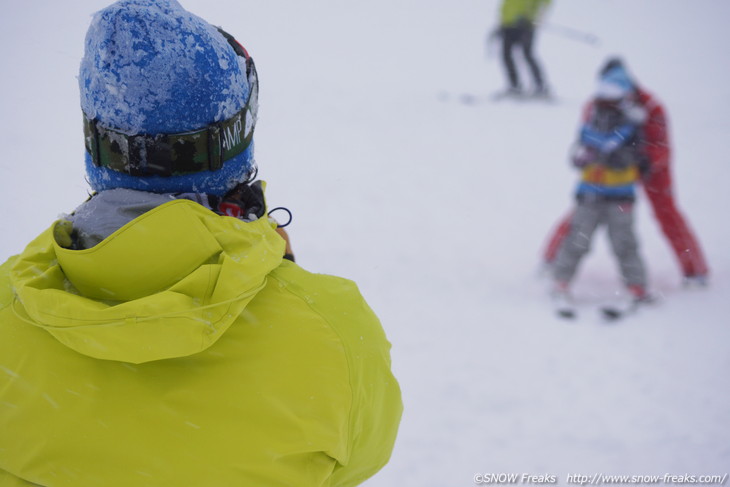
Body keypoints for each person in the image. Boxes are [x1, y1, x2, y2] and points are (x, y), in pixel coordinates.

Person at [0, 1, 402, 486]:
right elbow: (360, 459)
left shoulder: (9, 311)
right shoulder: (334, 327)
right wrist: (289, 291)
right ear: (236, 139)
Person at [542, 58, 709, 286]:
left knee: (665, 212)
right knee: (584, 211)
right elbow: (586, 137)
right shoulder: (596, 104)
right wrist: (591, 156)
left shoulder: (650, 106)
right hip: (608, 171)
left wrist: (642, 161)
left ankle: (694, 270)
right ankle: (552, 260)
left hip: (649, 168)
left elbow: (661, 146)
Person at [551, 65, 652, 308]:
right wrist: (584, 156)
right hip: (590, 194)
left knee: (624, 242)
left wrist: (625, 157)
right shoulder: (592, 121)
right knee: (577, 239)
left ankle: (636, 285)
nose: (605, 101)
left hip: (620, 197)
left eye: (611, 96)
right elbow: (577, 153)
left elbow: (641, 159)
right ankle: (561, 281)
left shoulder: (633, 125)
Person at [496, 0, 552, 96]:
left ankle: (541, 86)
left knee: (527, 54)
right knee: (506, 54)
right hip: (508, 24)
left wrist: (534, 18)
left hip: (526, 25)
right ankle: (515, 86)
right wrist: (502, 22)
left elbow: (546, 3)